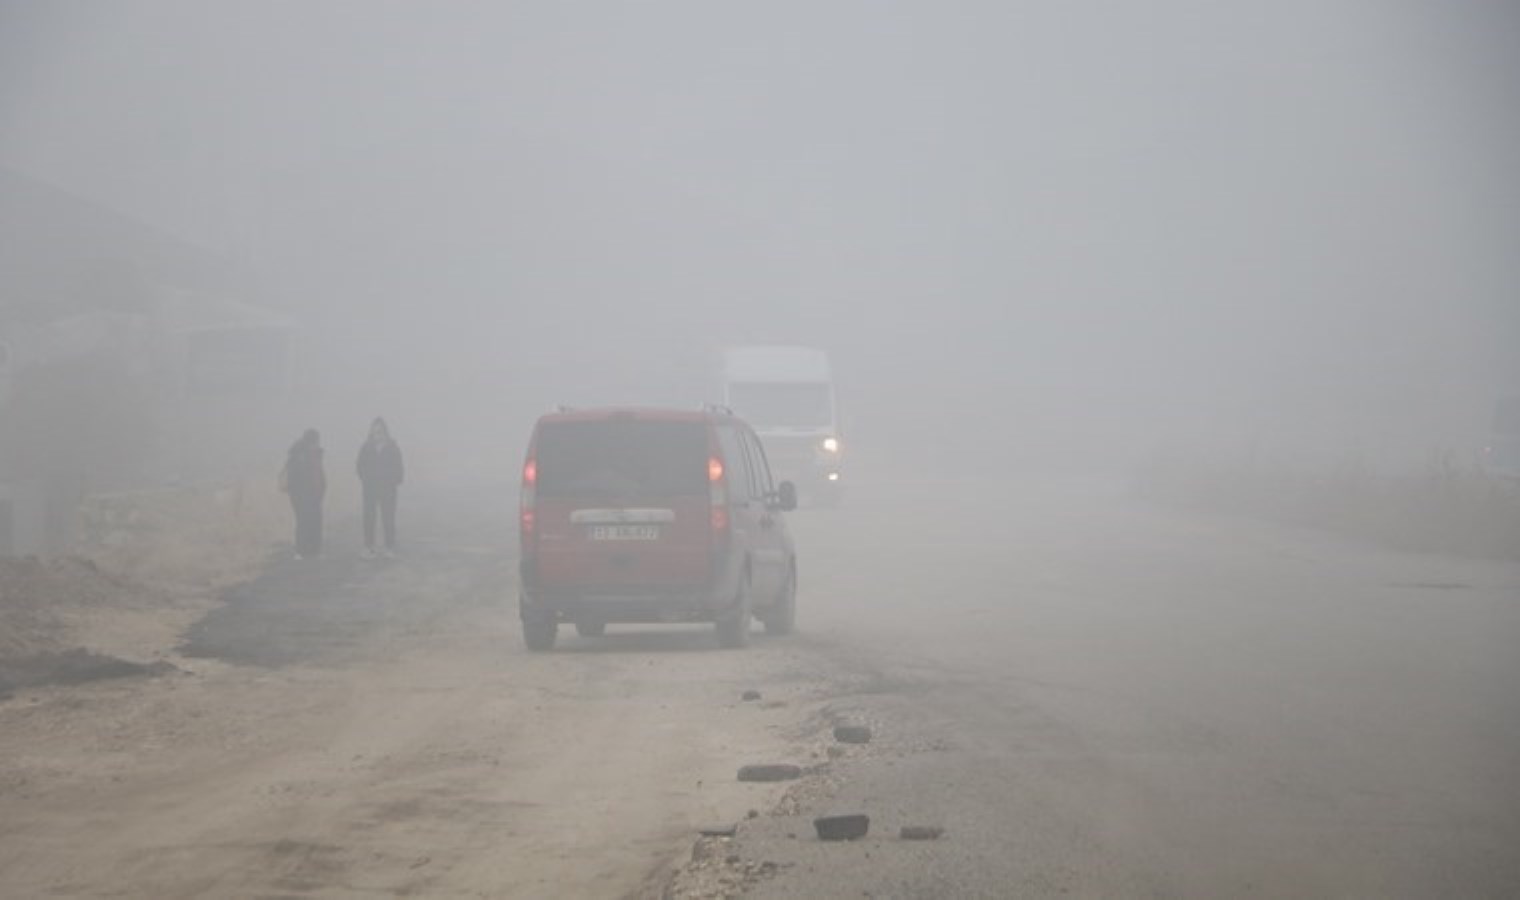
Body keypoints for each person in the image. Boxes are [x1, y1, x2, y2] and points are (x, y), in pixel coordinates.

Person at [356, 416, 405, 558]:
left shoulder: (392, 447)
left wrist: (393, 481)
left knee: (388, 518)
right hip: (370, 489)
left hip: (388, 489)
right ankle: (369, 547)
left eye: (380, 431)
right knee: (369, 518)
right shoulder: (366, 447)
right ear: (371, 431)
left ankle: (389, 547)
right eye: (375, 431)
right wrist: (366, 480)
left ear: (385, 431)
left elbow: (399, 467)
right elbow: (359, 466)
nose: (378, 434)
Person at [282, 429, 326, 560]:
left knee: (316, 522)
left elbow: (320, 474)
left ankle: (314, 550)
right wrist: (299, 495)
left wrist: (321, 490)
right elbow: (294, 478)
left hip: (315, 495)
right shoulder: (298, 455)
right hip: (301, 496)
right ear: (309, 441)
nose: (317, 444)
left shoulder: (316, 454)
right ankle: (300, 551)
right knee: (303, 521)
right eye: (315, 441)